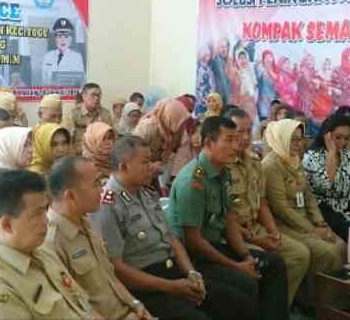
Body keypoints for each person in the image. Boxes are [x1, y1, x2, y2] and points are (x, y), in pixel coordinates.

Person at [93, 135, 250, 320]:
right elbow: (117, 268)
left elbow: (172, 239)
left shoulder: (146, 193)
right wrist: (172, 286)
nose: (151, 167)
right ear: (124, 166)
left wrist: (191, 273)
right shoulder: (108, 205)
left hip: (173, 272)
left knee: (239, 299)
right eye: (145, 162)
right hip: (146, 287)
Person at [166, 116, 289, 320]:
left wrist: (245, 255)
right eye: (229, 140)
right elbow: (194, 241)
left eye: (237, 138)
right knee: (246, 282)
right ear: (208, 143)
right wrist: (236, 265)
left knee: (274, 263)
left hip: (215, 245)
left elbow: (229, 220)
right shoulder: (193, 182)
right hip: (193, 257)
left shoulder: (222, 171)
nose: (236, 145)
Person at [0, 170, 98, 319]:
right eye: (38, 213)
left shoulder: (40, 251)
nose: (46, 220)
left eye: (45, 210)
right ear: (7, 225)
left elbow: (83, 307)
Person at [45, 156, 156, 320]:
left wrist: (136, 304)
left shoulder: (85, 220)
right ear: (71, 196)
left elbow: (110, 278)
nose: (102, 190)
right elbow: (74, 306)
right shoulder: (51, 242)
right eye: (96, 184)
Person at [225, 108, 309, 307]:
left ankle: (280, 308)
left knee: (299, 254)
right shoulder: (222, 167)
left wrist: (273, 232)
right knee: (272, 262)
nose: (245, 137)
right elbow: (225, 219)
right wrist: (256, 239)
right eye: (239, 131)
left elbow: (262, 202)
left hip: (256, 227)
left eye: (249, 131)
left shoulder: (255, 163)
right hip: (233, 235)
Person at [263, 119, 345, 313]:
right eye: (294, 140)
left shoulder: (294, 160)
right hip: (283, 224)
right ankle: (312, 302)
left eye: (301, 139)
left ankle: (326, 302)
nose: (299, 145)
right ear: (282, 139)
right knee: (327, 252)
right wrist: (311, 230)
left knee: (341, 245)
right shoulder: (271, 165)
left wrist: (321, 223)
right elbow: (281, 208)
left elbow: (308, 196)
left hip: (304, 222)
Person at [302, 113, 350, 242]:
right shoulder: (311, 157)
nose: (343, 142)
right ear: (327, 135)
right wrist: (332, 153)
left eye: (346, 138)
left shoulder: (349, 156)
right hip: (324, 211)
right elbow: (325, 186)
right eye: (338, 137)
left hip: (347, 209)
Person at [132, 98, 191, 175]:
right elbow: (132, 157)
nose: (182, 126)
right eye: (179, 120)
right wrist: (151, 166)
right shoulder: (147, 128)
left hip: (153, 175)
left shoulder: (172, 130)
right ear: (169, 117)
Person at [64, 83, 114, 155]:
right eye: (93, 95)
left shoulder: (105, 114)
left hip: (100, 155)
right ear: (84, 96)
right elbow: (68, 140)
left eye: (99, 95)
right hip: (79, 155)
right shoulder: (73, 114)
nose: (97, 98)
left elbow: (112, 137)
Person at [42, 18, 86, 86]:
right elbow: (44, 82)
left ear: (71, 39)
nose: (63, 40)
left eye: (66, 36)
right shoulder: (48, 56)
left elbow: (81, 82)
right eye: (59, 36)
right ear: (55, 38)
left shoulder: (77, 57)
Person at [256, 50, 279, 120]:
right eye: (266, 58)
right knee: (264, 123)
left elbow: (279, 87)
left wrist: (270, 71)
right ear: (263, 60)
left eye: (270, 57)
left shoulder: (276, 71)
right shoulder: (260, 71)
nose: (269, 60)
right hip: (262, 103)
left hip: (273, 103)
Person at [196, 44, 217, 115]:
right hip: (202, 103)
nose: (207, 58)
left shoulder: (209, 68)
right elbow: (198, 87)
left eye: (209, 55)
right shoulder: (199, 69)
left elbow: (212, 85)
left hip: (209, 102)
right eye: (206, 55)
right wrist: (203, 100)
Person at [210, 38, 232, 104]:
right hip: (221, 99)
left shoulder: (227, 60)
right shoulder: (217, 60)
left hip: (223, 98)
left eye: (226, 46)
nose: (224, 49)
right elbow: (223, 80)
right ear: (217, 48)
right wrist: (228, 100)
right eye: (222, 47)